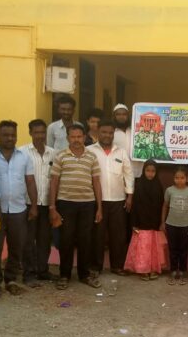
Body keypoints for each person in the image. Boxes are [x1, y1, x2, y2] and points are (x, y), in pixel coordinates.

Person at [49, 123, 103, 290]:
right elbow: (54, 182)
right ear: (67, 138)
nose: (76, 140)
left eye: (79, 136)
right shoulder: (61, 156)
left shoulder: (92, 157)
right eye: (73, 137)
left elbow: (96, 182)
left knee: (85, 240)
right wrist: (52, 206)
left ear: (84, 137)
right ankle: (64, 275)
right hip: (66, 204)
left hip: (87, 204)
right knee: (66, 239)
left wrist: (99, 207)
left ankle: (84, 274)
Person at [0, 121, 37, 294]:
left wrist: (34, 206)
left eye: (13, 135)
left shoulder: (24, 157)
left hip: (18, 210)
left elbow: (30, 182)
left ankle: (10, 279)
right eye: (6, 135)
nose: (10, 138)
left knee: (17, 247)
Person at [87, 119, 134, 275]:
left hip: (118, 200)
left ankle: (117, 266)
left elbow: (128, 174)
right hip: (96, 201)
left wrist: (129, 196)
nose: (107, 135)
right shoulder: (89, 151)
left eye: (110, 133)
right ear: (98, 132)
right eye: (104, 132)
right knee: (97, 235)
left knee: (118, 235)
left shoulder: (121, 152)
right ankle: (96, 266)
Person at [21, 119, 58, 284]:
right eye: (36, 132)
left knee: (45, 239)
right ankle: (28, 273)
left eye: (42, 132)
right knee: (28, 240)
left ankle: (43, 270)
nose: (40, 136)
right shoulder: (22, 152)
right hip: (29, 203)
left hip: (46, 204)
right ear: (30, 133)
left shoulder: (53, 153)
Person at [125, 159, 167, 280]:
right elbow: (134, 206)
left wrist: (161, 222)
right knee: (143, 248)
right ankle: (143, 270)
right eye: (148, 170)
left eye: (153, 171)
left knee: (153, 248)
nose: (150, 173)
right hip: (141, 223)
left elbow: (161, 205)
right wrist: (134, 223)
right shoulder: (139, 184)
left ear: (156, 172)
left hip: (154, 223)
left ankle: (153, 269)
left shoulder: (158, 186)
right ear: (144, 171)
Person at [161, 166, 188, 285]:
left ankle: (182, 272)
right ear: (173, 178)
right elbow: (165, 206)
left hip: (185, 225)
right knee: (173, 249)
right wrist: (163, 222)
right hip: (171, 224)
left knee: (183, 250)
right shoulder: (169, 190)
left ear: (187, 178)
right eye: (177, 178)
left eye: (182, 178)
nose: (179, 180)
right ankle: (173, 271)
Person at [112, 103, 143, 178]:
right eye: (118, 114)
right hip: (118, 173)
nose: (121, 117)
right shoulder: (111, 132)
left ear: (128, 116)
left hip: (137, 172)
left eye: (124, 114)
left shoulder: (136, 131)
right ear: (114, 116)